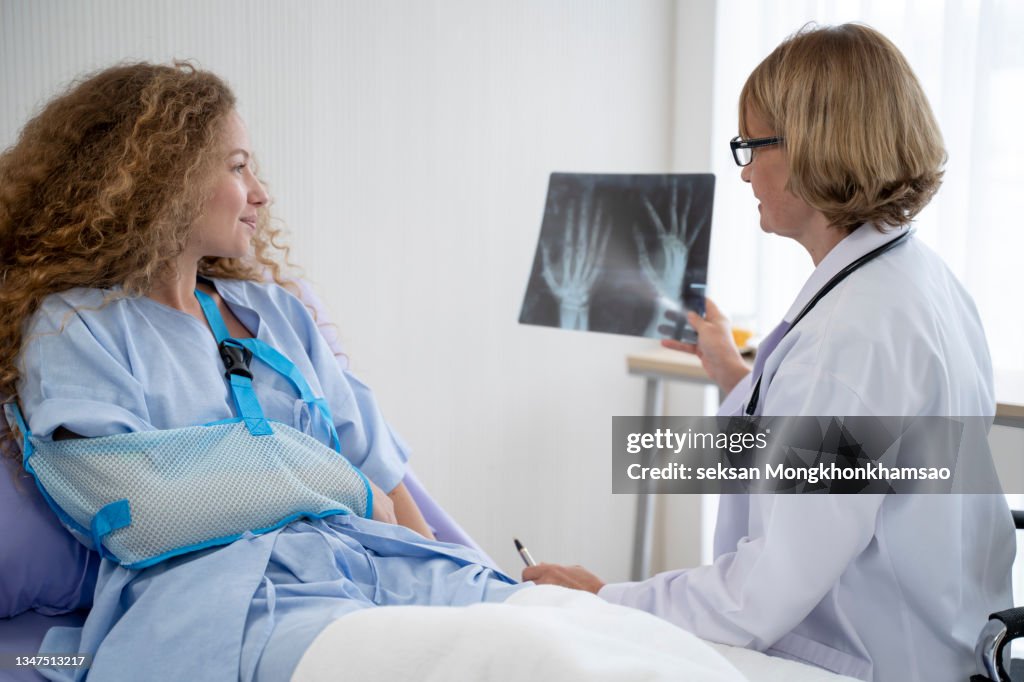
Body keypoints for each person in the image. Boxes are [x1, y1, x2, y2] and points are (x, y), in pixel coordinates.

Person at [0, 62, 523, 681]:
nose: (261, 193)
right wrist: (335, 483)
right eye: (238, 165)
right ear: (159, 178)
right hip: (221, 607)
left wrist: (460, 577)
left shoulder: (277, 312)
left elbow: (382, 477)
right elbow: (133, 509)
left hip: (373, 571)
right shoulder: (75, 328)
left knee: (567, 632)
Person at [524, 23, 1014, 681]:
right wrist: (733, 373)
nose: (747, 169)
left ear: (819, 145)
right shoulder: (915, 279)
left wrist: (606, 599)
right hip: (944, 631)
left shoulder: (852, 335)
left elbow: (764, 592)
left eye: (753, 145)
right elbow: (836, 459)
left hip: (876, 658)